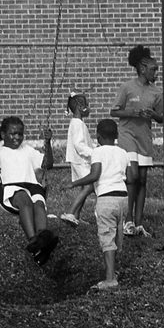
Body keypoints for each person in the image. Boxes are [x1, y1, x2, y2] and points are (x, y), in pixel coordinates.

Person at [0, 115, 59, 265]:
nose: (17, 137)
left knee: (39, 205)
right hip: (10, 187)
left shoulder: (27, 150)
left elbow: (48, 164)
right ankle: (34, 241)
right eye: (12, 133)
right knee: (24, 200)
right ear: (2, 134)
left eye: (20, 134)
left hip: (32, 186)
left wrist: (47, 142)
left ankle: (43, 242)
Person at [70, 118, 131, 290]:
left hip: (106, 198)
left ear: (98, 136)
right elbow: (132, 177)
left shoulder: (98, 152)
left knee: (106, 238)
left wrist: (75, 183)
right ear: (117, 135)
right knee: (118, 235)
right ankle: (114, 271)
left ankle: (110, 279)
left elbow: (95, 174)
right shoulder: (123, 152)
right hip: (123, 198)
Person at [111, 44, 162, 238]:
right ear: (142, 68)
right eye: (153, 69)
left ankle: (139, 224)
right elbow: (114, 111)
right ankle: (128, 220)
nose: (156, 73)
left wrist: (153, 115)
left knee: (142, 180)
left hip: (144, 137)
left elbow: (163, 117)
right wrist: (132, 112)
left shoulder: (156, 92)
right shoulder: (127, 87)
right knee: (131, 176)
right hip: (127, 135)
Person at [59, 92, 96, 227]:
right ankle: (70, 212)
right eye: (87, 105)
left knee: (84, 188)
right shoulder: (78, 124)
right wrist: (94, 153)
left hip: (79, 160)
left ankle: (76, 216)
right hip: (81, 161)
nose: (89, 108)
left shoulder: (77, 123)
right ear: (80, 107)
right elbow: (79, 145)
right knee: (90, 185)